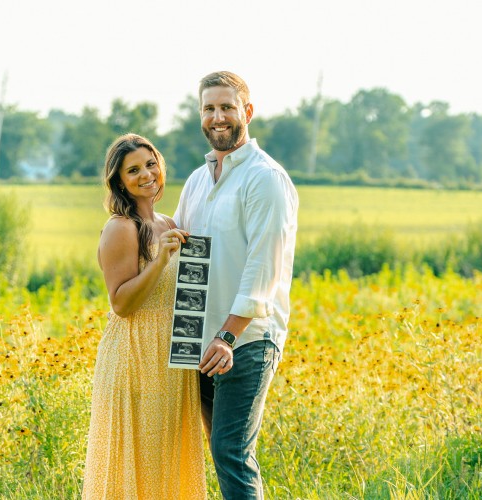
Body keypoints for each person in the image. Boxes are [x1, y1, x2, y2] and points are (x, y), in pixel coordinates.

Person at [173, 71, 299, 498]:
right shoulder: (196, 180)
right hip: (199, 342)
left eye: (227, 107)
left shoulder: (265, 178)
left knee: (230, 451)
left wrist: (228, 336)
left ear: (247, 111)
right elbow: (186, 260)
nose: (218, 117)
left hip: (245, 340)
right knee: (217, 449)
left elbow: (263, 269)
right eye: (209, 108)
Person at [83, 134, 206, 499]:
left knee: (168, 464)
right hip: (136, 355)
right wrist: (159, 261)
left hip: (174, 362)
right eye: (133, 170)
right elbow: (121, 303)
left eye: (150, 164)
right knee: (136, 462)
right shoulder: (120, 227)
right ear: (119, 181)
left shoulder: (170, 223)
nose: (146, 174)